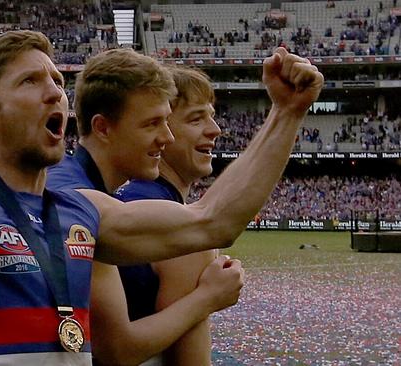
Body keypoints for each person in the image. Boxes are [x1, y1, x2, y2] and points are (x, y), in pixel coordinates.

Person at [0, 11, 323, 366]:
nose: (54, 91)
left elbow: (214, 221)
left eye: (56, 80)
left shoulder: (81, 209)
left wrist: (287, 113)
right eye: (29, 82)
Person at [48, 47, 322, 365]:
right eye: (152, 123)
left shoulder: (74, 182)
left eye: (166, 122)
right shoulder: (77, 201)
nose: (166, 137)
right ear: (103, 128)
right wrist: (206, 298)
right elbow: (213, 223)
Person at [113, 66, 243, 365]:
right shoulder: (180, 228)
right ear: (161, 129)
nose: (215, 129)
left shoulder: (122, 198)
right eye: (196, 118)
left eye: (211, 115)